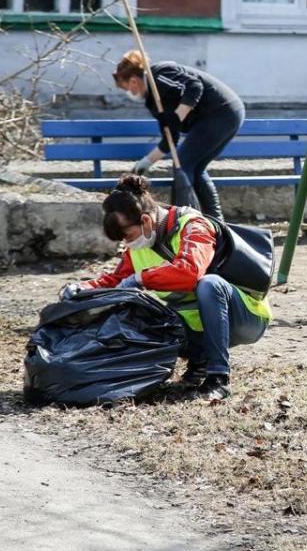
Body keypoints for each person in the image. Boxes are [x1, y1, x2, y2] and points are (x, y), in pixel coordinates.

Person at [60, 175, 271, 401]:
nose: (127, 244)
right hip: (195, 320)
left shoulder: (194, 227)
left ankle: (218, 378)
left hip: (245, 316)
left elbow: (189, 272)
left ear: (146, 221)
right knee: (142, 314)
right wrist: (81, 288)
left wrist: (142, 278)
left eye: (128, 236)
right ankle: (198, 360)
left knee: (210, 285)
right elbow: (114, 281)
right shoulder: (138, 246)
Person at [112, 51, 245, 219]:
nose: (128, 93)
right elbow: (170, 140)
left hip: (221, 111)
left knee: (182, 163)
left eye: (126, 88)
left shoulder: (159, 76)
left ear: (133, 81)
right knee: (194, 167)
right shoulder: (153, 102)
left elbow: (194, 86)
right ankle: (214, 221)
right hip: (219, 116)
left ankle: (185, 220)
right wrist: (145, 163)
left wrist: (177, 116)